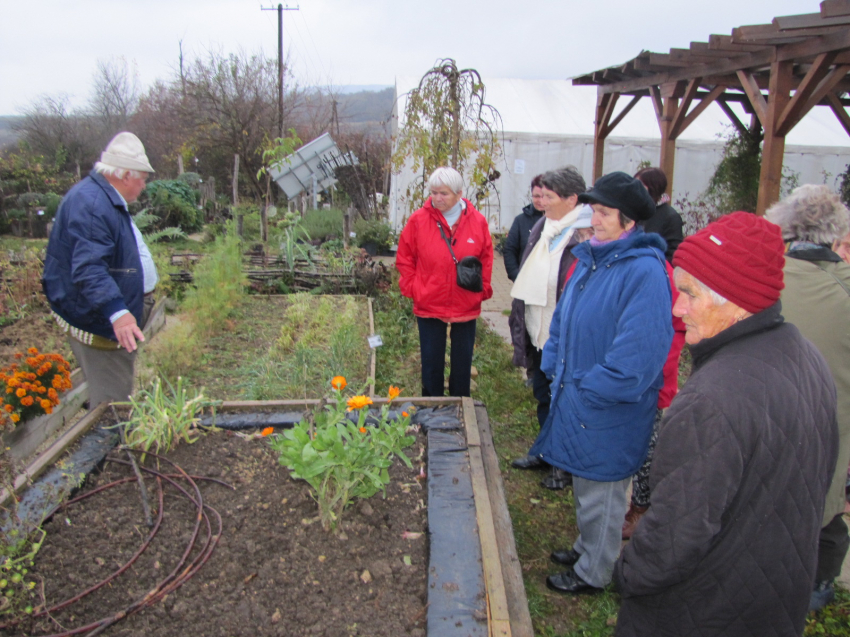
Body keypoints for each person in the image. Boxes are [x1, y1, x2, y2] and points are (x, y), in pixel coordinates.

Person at [614, 212, 838, 637]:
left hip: (701, 612)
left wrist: (627, 573)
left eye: (688, 294)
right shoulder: (805, 356)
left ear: (736, 300)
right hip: (774, 601)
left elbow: (672, 539)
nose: (676, 309)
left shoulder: (710, 400)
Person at [529, 171, 673, 594]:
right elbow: (564, 318)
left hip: (608, 404)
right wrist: (554, 360)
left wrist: (590, 387)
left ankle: (595, 570)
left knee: (605, 490)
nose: (594, 219)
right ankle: (586, 545)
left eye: (605, 213)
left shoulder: (643, 273)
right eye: (593, 210)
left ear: (630, 223)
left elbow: (636, 359)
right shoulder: (593, 258)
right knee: (585, 480)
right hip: (578, 394)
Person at [765, 185, 850, 612]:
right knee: (826, 505)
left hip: (770, 411)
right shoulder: (844, 285)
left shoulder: (766, 275)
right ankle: (817, 582)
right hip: (833, 420)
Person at [42, 132, 158, 408]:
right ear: (126, 175)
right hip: (100, 324)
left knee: (113, 394)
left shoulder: (102, 197)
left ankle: (110, 440)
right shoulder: (93, 205)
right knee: (112, 407)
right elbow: (89, 268)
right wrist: (118, 313)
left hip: (105, 319)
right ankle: (109, 448)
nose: (143, 186)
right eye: (142, 179)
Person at [508, 167, 590, 484]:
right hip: (539, 329)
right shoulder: (544, 226)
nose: (542, 201)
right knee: (545, 395)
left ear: (572, 199)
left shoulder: (584, 233)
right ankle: (545, 452)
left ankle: (565, 466)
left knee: (565, 400)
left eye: (550, 196)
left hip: (565, 334)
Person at [396, 167, 493, 397]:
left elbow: (486, 258)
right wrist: (413, 287)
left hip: (465, 301)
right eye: (434, 192)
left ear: (459, 194)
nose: (437, 198)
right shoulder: (418, 220)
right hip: (429, 300)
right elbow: (405, 256)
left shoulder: (477, 221)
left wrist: (483, 290)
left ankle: (460, 405)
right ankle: (432, 406)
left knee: (462, 361)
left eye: (444, 193)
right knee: (431, 361)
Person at [634, 167, 683, 263]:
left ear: (653, 188)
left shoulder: (670, 217)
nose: (634, 190)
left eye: (639, 186)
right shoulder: (633, 210)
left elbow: (673, 254)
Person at [503, 175, 545, 281]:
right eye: (536, 196)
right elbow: (509, 250)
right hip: (524, 284)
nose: (540, 200)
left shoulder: (557, 221)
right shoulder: (521, 220)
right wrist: (516, 276)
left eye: (544, 196)